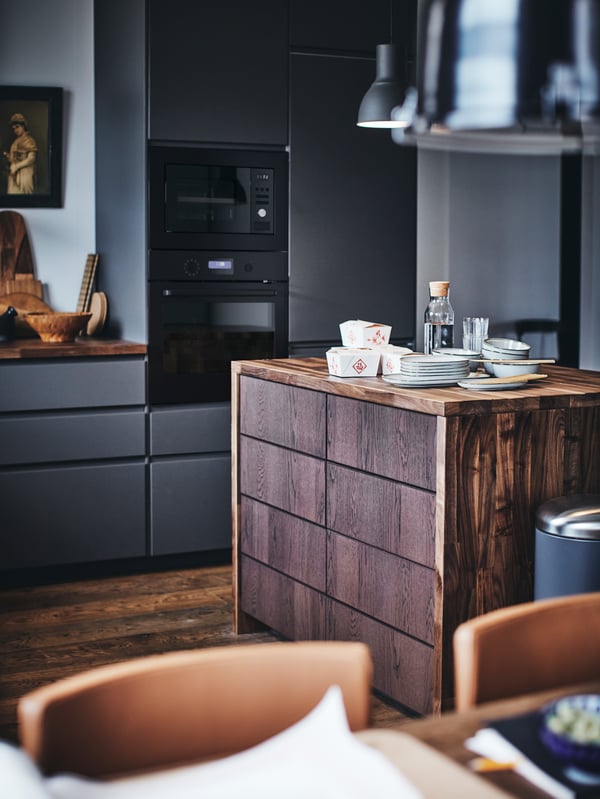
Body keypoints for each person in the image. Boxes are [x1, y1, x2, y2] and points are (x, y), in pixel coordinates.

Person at [3, 113, 37, 194]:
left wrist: (17, 166)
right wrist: (8, 157)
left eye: (17, 127)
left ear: (23, 126)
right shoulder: (15, 142)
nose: (16, 130)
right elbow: (13, 159)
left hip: (25, 173)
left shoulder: (29, 140)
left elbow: (31, 159)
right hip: (13, 173)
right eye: (14, 128)